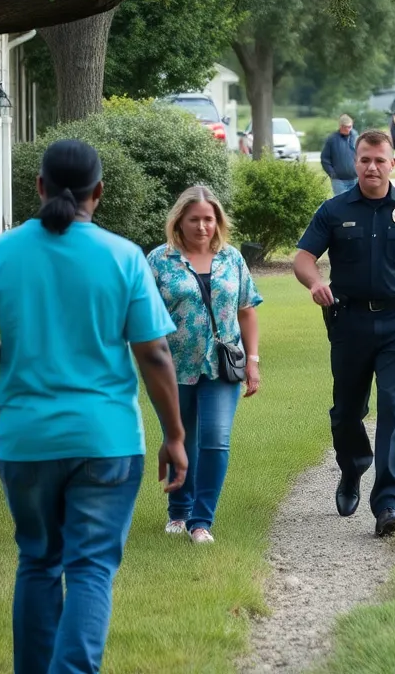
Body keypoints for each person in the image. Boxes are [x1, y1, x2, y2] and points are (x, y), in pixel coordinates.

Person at [0, 139, 188, 674]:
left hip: (26, 442)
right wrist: (174, 435)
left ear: (39, 188)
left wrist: (9, 352)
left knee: (37, 562)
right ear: (98, 193)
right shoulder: (122, 256)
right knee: (92, 568)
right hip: (107, 442)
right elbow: (155, 354)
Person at [292, 129, 395, 537]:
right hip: (349, 323)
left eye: (380, 160)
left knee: (393, 411)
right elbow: (304, 258)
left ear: (392, 163)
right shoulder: (334, 210)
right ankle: (353, 467)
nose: (372, 167)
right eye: (364, 159)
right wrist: (313, 283)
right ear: (355, 162)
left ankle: (389, 505)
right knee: (346, 413)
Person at [146, 185, 263, 545]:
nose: (202, 227)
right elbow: (145, 316)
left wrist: (254, 361)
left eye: (208, 220)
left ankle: (201, 521)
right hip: (171, 367)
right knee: (179, 437)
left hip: (222, 365)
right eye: (194, 219)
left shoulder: (232, 259)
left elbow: (246, 309)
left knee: (215, 438)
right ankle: (178, 511)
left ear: (218, 222)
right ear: (179, 221)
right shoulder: (159, 261)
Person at [321, 114, 359, 195]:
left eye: (350, 126)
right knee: (341, 204)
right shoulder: (332, 139)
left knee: (356, 204)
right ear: (341, 126)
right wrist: (332, 173)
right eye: (346, 127)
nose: (348, 129)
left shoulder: (356, 136)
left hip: (355, 178)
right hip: (339, 180)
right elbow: (324, 158)